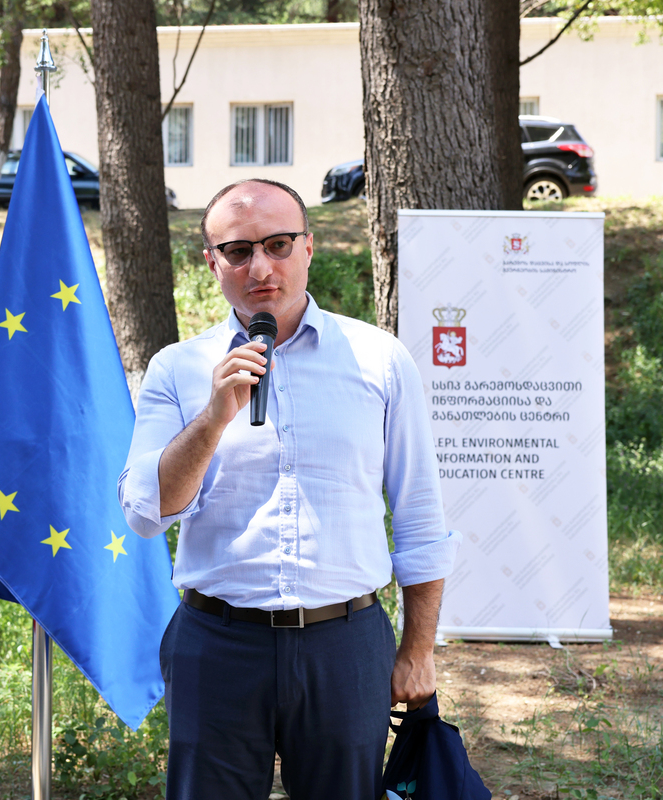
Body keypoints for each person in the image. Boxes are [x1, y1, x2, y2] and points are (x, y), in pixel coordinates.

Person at [118, 179, 459, 800]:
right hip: (217, 642)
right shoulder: (178, 367)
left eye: (277, 244)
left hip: (345, 644)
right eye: (238, 251)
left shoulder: (379, 359)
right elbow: (147, 513)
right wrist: (213, 418)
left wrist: (418, 649)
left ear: (308, 247)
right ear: (213, 262)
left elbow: (419, 514)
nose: (260, 268)